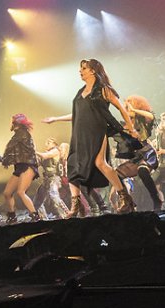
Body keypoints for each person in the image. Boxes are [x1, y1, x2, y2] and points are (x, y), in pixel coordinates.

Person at [43, 58, 139, 216]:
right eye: (80, 68)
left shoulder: (103, 89)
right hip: (80, 133)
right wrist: (56, 119)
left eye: (84, 68)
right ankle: (76, 206)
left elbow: (121, 109)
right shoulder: (80, 92)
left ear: (93, 71)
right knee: (72, 165)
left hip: (97, 130)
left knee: (100, 163)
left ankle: (125, 197)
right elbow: (77, 114)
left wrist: (131, 127)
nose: (80, 71)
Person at [0, 114, 41, 223]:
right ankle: (12, 216)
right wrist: (0, 158)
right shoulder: (18, 135)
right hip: (20, 167)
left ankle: (35, 216)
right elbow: (14, 155)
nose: (12, 124)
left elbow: (12, 152)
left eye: (14, 122)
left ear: (18, 124)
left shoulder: (22, 134)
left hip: (28, 165)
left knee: (20, 192)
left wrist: (2, 159)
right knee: (7, 193)